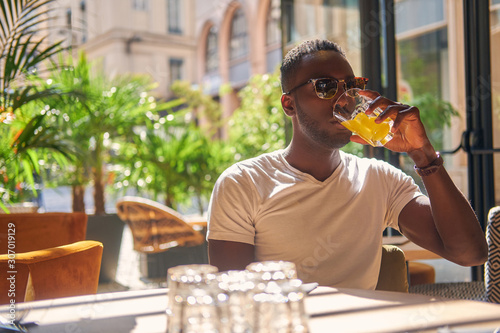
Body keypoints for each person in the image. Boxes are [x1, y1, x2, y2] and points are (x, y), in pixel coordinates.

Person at [206, 39, 487, 289]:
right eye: (325, 87)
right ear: (289, 105)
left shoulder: (379, 179)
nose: (344, 100)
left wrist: (423, 154)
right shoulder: (243, 183)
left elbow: (469, 254)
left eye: (352, 87)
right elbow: (234, 299)